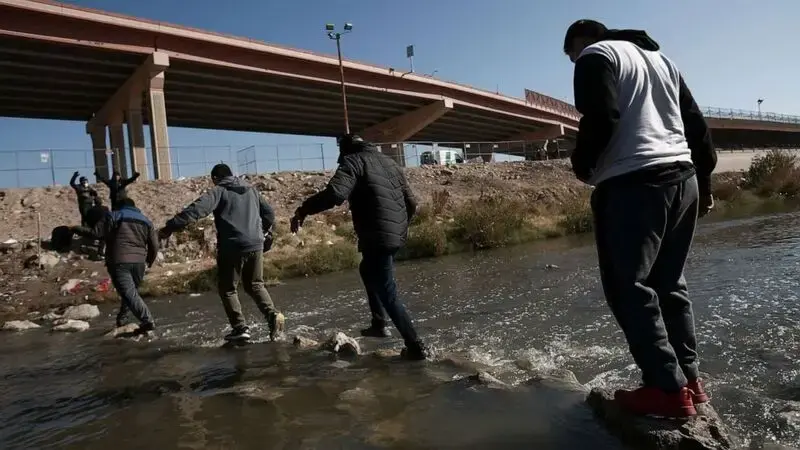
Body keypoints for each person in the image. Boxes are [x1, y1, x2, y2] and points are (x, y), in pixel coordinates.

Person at [563, 20, 717, 417]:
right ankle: (691, 382)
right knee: (669, 285)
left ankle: (666, 390)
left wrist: (582, 166)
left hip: (634, 185)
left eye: (570, 54)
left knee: (629, 288)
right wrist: (707, 185)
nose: (573, 62)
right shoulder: (661, 59)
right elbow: (697, 128)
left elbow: (602, 115)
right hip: (683, 180)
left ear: (581, 42)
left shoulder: (597, 55)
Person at [290, 134, 431, 360]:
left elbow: (335, 193)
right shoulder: (390, 163)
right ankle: (379, 323)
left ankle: (415, 346)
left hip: (377, 236)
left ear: (345, 150)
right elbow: (412, 203)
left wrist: (303, 210)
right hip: (394, 234)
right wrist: (400, 228)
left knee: (387, 291)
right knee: (367, 269)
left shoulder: (353, 161)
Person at [158, 164, 285, 342]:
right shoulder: (251, 190)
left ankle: (240, 328)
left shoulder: (220, 191)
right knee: (255, 284)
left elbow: (196, 210)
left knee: (227, 288)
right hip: (256, 245)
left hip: (232, 246)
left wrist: (169, 227)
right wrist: (259, 232)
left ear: (216, 178)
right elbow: (270, 214)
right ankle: (273, 316)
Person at [72, 197, 158, 333]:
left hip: (119, 261)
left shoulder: (113, 215)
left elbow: (96, 233)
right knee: (130, 292)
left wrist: (74, 228)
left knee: (129, 293)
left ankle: (147, 320)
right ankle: (122, 319)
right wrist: (150, 261)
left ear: (119, 206)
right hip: (140, 262)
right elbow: (154, 244)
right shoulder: (146, 220)